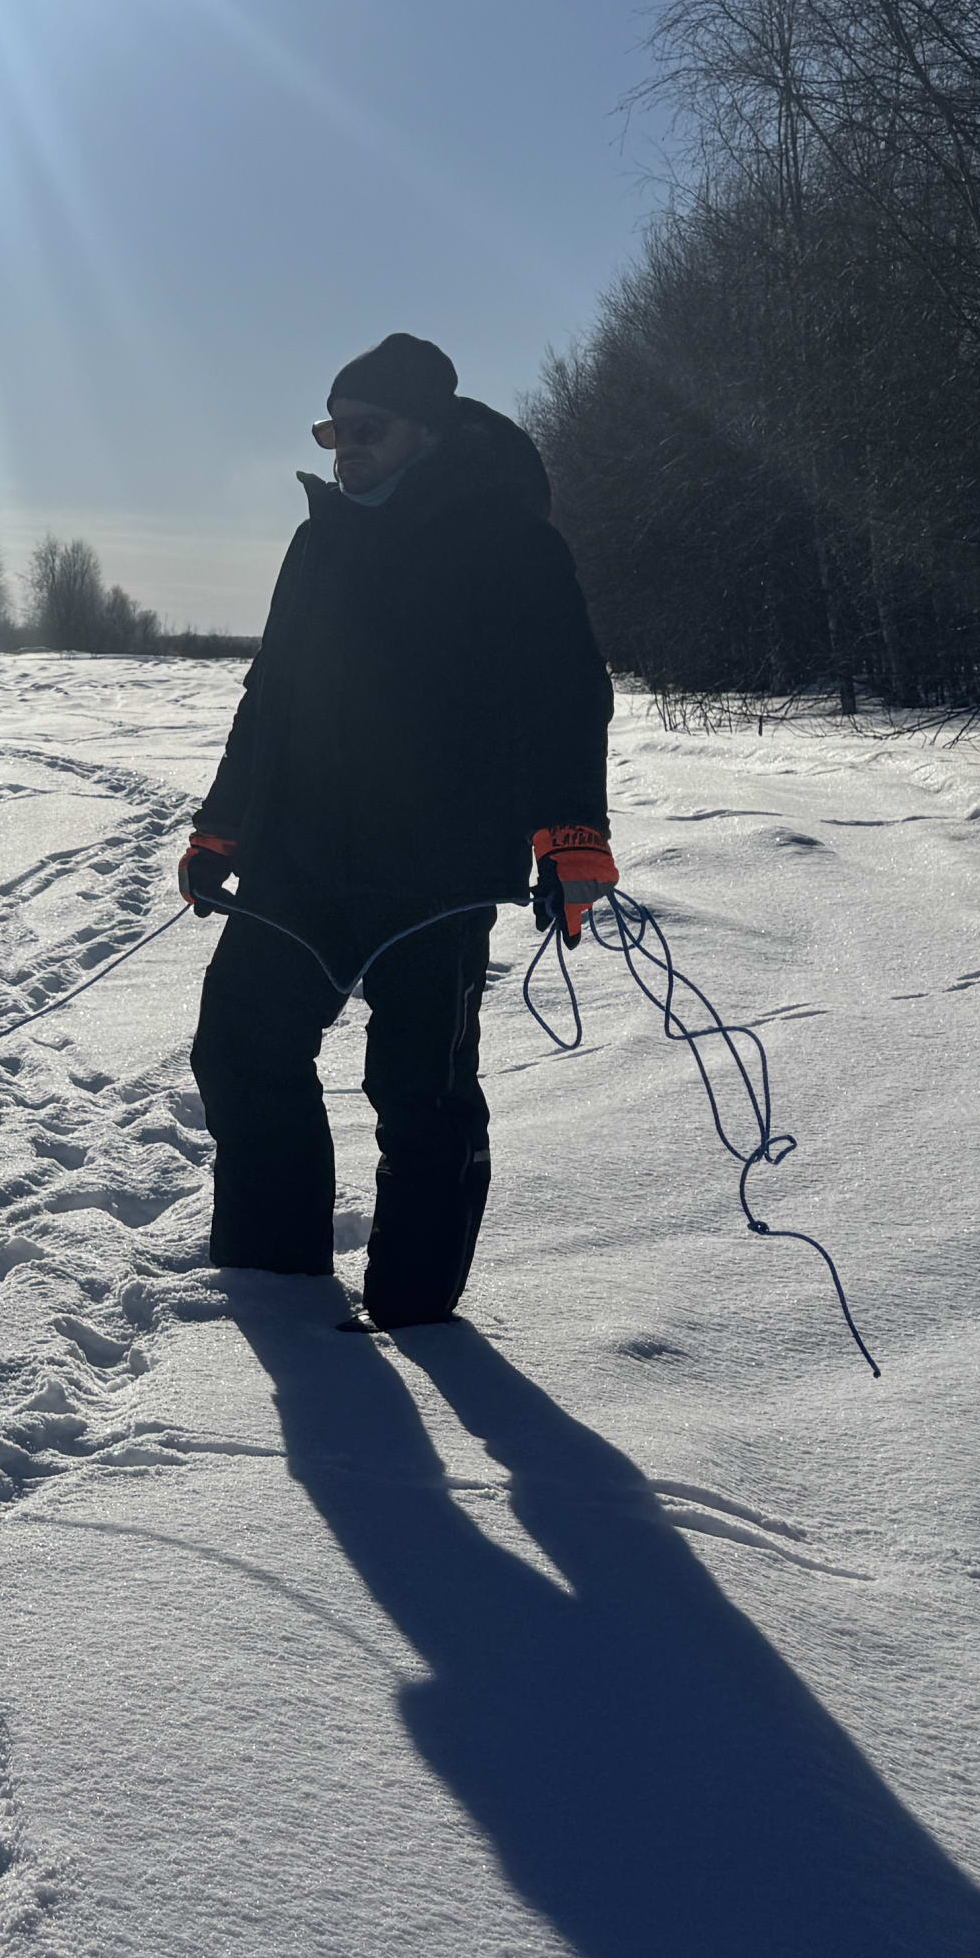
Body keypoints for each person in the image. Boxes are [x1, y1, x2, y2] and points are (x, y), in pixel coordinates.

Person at [178, 333, 615, 1329]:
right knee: (240, 1048)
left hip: (436, 871)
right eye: (333, 430)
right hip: (298, 858)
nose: (347, 448)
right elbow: (270, 696)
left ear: (428, 431)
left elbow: (561, 697)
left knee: (423, 1093)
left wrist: (572, 836)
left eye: (368, 427)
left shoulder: (509, 542)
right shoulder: (319, 543)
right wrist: (222, 827)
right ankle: (277, 1280)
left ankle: (416, 1310)